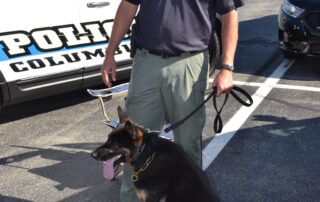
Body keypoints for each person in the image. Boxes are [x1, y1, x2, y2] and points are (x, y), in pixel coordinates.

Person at [101, 0, 243, 201]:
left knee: (187, 147)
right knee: (134, 146)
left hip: (189, 64)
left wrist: (227, 67)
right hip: (147, 63)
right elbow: (128, 5)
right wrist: (110, 53)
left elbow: (230, 14)